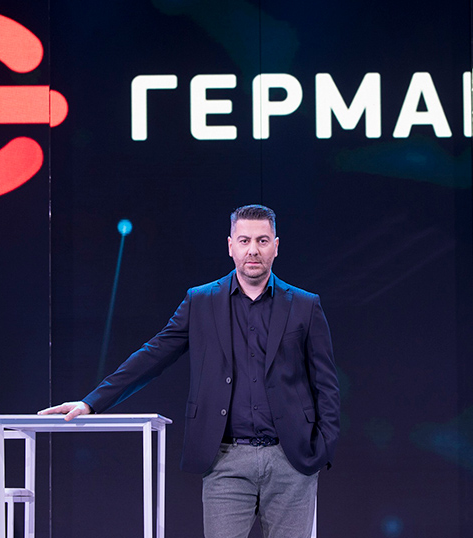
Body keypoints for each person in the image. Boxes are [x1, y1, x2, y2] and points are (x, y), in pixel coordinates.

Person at [39, 204, 340, 538]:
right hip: (226, 460)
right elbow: (153, 355)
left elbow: (326, 384)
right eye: (244, 240)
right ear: (230, 246)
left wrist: (322, 448)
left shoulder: (305, 305)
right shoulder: (201, 301)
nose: (253, 249)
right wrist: (92, 402)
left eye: (262, 240)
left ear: (276, 246)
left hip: (291, 460)